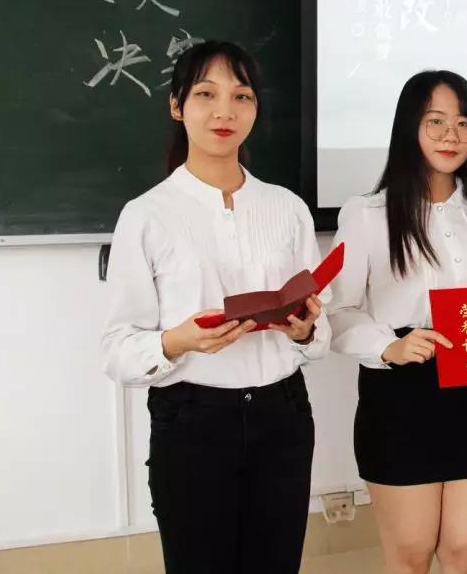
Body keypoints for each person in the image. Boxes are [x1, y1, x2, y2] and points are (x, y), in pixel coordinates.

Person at [102, 40, 330, 574]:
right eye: (206, 94)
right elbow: (117, 349)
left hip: (282, 414)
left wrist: (304, 330)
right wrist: (176, 341)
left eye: (241, 96)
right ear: (176, 105)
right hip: (192, 419)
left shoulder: (287, 208)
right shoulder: (147, 214)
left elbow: (320, 332)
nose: (225, 111)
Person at [329, 70, 467, 574]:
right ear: (410, 128)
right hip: (402, 396)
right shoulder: (368, 213)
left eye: (463, 124)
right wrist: (389, 347)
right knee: (412, 552)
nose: (450, 135)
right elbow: (337, 311)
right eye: (435, 121)